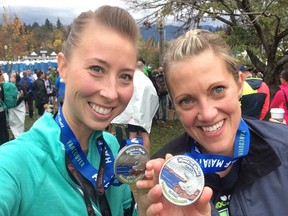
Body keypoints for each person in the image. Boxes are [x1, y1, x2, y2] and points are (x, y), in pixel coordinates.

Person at [0, 6, 143, 215]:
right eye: (97, 69)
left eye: (125, 76)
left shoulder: (111, 147)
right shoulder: (15, 163)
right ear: (63, 67)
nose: (112, 93)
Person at [136, 29, 288, 215]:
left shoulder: (284, 146)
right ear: (175, 105)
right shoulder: (164, 177)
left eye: (217, 90)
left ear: (240, 84)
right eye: (187, 100)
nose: (207, 115)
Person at [112, 60, 159, 153]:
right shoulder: (147, 81)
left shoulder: (132, 80)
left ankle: (132, 156)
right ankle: (147, 156)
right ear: (142, 68)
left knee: (132, 135)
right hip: (144, 113)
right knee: (145, 135)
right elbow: (154, 96)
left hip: (133, 112)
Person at [8, 71, 27, 138]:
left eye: (12, 77)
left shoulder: (20, 86)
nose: (10, 78)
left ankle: (20, 135)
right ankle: (14, 134)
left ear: (15, 79)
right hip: (11, 107)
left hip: (19, 106)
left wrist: (20, 98)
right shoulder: (8, 86)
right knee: (12, 121)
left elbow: (26, 95)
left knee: (20, 121)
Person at [0, 71, 9, 144]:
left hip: (1, 109)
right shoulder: (3, 85)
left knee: (2, 128)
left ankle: (3, 143)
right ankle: (6, 141)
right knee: (4, 127)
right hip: (3, 109)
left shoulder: (2, 86)